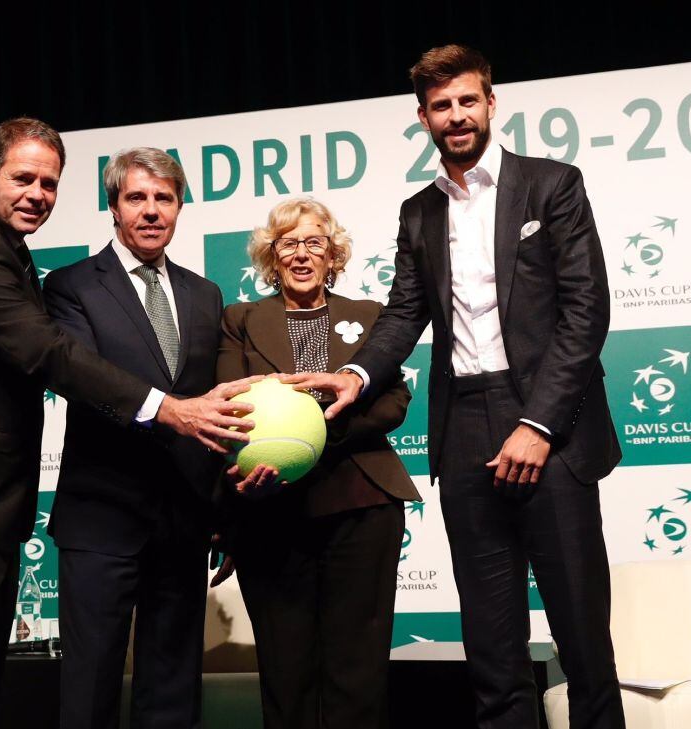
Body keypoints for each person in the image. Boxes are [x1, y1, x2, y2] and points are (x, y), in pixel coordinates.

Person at [287, 46, 626, 729]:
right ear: (424, 118)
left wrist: (538, 425)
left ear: (491, 103)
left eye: (467, 100)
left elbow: (587, 310)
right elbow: (404, 314)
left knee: (582, 637)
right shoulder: (420, 213)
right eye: (441, 106)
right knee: (491, 647)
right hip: (464, 424)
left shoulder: (551, 185)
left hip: (549, 426)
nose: (456, 115)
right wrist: (355, 373)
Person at [0, 120, 255, 729]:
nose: (37, 194)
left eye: (49, 183)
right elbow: (50, 354)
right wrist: (168, 408)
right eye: (22, 178)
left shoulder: (4, 247)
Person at [42, 147, 233, 729]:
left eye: (164, 199)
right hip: (102, 515)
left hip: (184, 517)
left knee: (173, 687)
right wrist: (169, 411)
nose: (151, 211)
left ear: (179, 208)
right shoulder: (70, 286)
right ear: (114, 207)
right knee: (91, 682)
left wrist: (221, 505)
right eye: (137, 198)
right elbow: (82, 377)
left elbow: (215, 408)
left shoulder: (206, 295)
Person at [214, 197, 421, 729]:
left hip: (362, 504)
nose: (302, 255)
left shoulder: (369, 316)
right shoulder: (239, 320)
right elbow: (227, 404)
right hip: (271, 509)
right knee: (286, 672)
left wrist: (315, 433)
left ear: (333, 256)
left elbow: (393, 400)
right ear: (270, 256)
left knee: (358, 668)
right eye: (289, 244)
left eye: (315, 244)